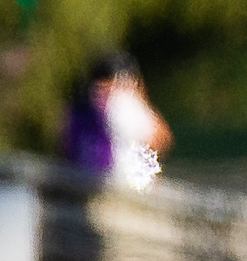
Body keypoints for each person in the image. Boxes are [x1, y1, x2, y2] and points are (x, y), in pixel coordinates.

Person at [61, 51, 171, 193]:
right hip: (89, 187)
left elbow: (161, 138)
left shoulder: (127, 107)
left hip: (123, 190)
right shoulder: (82, 112)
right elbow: (65, 146)